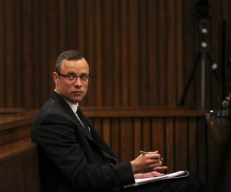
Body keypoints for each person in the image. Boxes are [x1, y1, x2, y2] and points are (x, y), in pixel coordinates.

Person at [31, 50, 206, 192]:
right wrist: (133, 168)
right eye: (71, 76)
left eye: (84, 77)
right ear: (56, 78)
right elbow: (82, 177)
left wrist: (136, 177)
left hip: (108, 186)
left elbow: (96, 166)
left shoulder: (68, 109)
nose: (79, 83)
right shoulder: (53, 118)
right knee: (188, 184)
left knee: (186, 179)